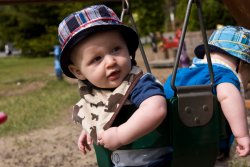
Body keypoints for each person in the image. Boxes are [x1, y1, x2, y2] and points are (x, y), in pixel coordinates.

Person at [58, 5, 171, 167]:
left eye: (116, 49)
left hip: (153, 160)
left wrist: (120, 134)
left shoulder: (138, 84)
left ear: (128, 50)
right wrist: (90, 129)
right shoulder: (96, 92)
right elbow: (102, 113)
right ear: (78, 72)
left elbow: (156, 109)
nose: (111, 62)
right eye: (97, 59)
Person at [164, 25, 250, 158]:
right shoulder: (225, 77)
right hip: (210, 150)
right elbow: (228, 95)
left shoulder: (179, 75)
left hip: (173, 147)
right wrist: (242, 135)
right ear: (242, 64)